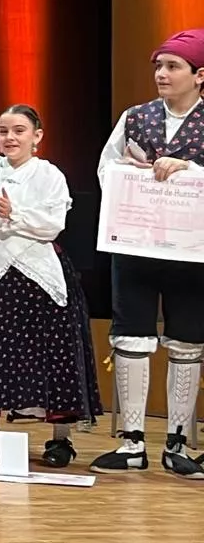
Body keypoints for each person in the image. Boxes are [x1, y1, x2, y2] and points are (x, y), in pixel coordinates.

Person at [0, 104, 101, 468]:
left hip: (39, 271)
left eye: (19, 130)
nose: (10, 138)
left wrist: (12, 215)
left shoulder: (49, 175)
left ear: (37, 136)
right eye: (3, 130)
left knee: (55, 353)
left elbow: (52, 225)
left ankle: (61, 439)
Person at [91, 28, 204, 477]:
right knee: (132, 334)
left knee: (188, 339)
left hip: (190, 250)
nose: (161, 73)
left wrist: (189, 169)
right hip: (136, 245)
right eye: (158, 65)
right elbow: (106, 166)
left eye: (172, 66)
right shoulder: (134, 117)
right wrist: (129, 174)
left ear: (200, 76)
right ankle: (132, 440)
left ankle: (177, 439)